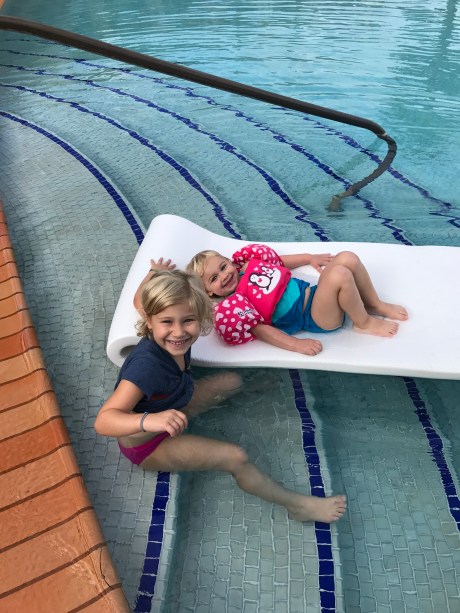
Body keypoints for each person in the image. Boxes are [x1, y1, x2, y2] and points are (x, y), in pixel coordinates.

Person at [96, 267, 346, 523]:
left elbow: (141, 303)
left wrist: (153, 272)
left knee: (231, 381)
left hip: (174, 405)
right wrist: (150, 420)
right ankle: (297, 506)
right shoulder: (146, 368)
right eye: (167, 322)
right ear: (150, 321)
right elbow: (104, 421)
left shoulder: (166, 330)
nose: (179, 332)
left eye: (188, 320)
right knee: (235, 457)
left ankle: (248, 389)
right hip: (149, 444)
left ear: (201, 316)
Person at [186, 244, 408, 356]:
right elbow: (262, 330)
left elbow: (279, 262)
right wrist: (296, 345)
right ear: (209, 292)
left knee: (348, 258)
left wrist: (309, 258)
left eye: (223, 267)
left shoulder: (247, 266)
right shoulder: (236, 305)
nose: (224, 276)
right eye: (214, 279)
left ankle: (374, 304)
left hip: (315, 293)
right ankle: (363, 323)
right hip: (316, 316)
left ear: (229, 261)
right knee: (340, 274)